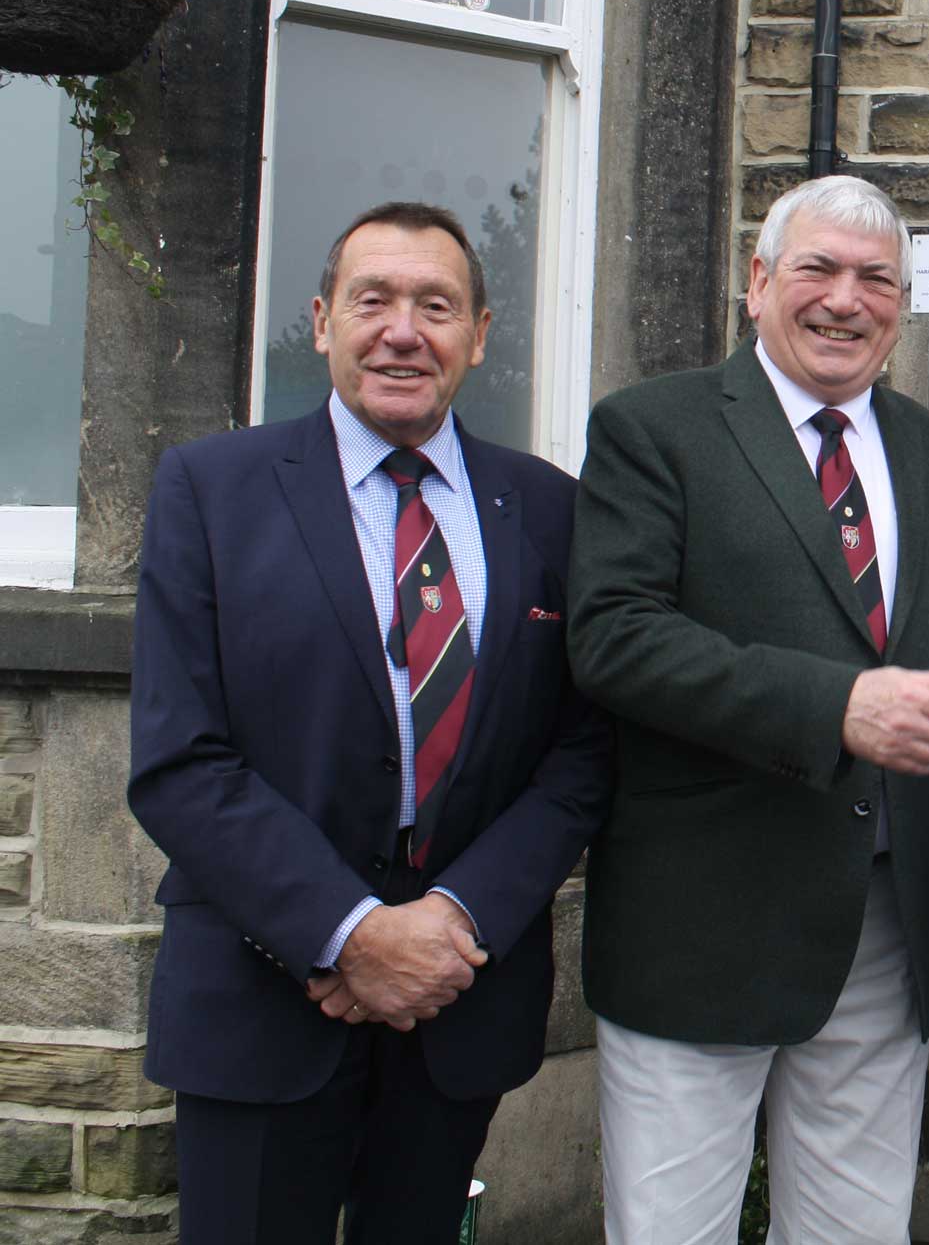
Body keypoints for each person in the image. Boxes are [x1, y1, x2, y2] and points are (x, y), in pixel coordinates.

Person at [127, 200, 613, 1243]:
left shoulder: (550, 510)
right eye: (373, 300)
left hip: (458, 998)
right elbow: (179, 759)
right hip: (263, 997)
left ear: (479, 336)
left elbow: (579, 750)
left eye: (436, 306)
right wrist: (349, 936)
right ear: (320, 321)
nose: (403, 330)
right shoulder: (210, 490)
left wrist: (451, 922)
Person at [567, 174, 929, 1244]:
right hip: (703, 922)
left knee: (855, 1232)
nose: (845, 299)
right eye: (816, 269)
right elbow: (615, 638)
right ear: (757, 282)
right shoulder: (653, 429)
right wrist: (835, 708)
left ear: (901, 305)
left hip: (885, 916)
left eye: (875, 279)